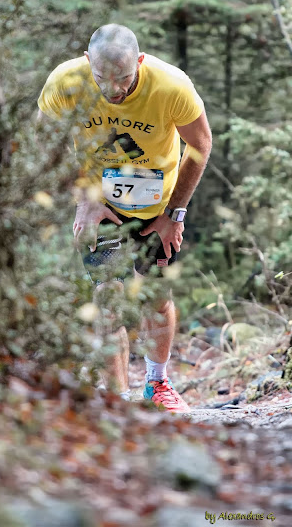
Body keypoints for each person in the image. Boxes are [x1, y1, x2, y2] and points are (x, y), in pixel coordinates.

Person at [37, 24, 212, 412]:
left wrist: (175, 214)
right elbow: (42, 144)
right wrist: (84, 197)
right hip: (102, 205)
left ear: (141, 62)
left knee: (155, 297)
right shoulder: (65, 82)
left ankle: (158, 384)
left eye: (125, 79)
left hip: (158, 207)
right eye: (103, 79)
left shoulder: (171, 85)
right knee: (108, 297)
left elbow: (199, 144)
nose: (114, 90)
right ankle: (118, 400)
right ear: (87, 63)